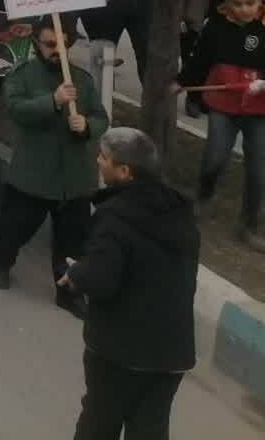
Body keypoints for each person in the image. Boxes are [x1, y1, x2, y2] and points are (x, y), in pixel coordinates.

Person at [58, 127, 199, 440]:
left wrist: (77, 274)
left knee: (99, 424)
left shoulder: (115, 216)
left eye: (103, 157)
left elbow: (102, 280)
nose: (97, 161)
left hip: (121, 352)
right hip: (172, 351)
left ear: (124, 171)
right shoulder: (181, 212)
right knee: (150, 429)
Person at [0, 21, 108, 311]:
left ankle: (68, 291)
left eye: (63, 45)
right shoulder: (22, 75)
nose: (57, 51)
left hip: (74, 177)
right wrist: (53, 101)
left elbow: (100, 117)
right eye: (50, 45)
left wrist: (87, 125)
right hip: (33, 172)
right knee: (14, 228)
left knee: (73, 241)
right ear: (36, 44)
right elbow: (16, 110)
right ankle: (2, 262)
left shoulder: (82, 79)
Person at [176, 0, 265, 251]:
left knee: (257, 169)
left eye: (250, 3)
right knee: (215, 158)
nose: (244, 9)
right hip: (224, 106)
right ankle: (202, 196)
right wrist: (182, 82)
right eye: (238, 4)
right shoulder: (216, 26)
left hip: (261, 108)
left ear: (260, 1)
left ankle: (249, 224)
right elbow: (200, 59)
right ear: (227, 4)